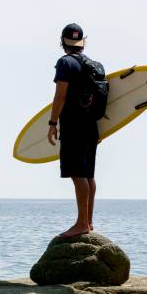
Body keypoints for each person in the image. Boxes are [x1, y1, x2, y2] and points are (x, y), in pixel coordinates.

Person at [47, 23, 100, 238]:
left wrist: (52, 123)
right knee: (88, 175)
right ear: (82, 43)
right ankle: (88, 221)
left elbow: (60, 96)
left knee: (78, 174)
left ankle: (81, 224)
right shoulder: (95, 65)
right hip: (91, 125)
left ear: (62, 42)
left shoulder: (65, 63)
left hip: (73, 125)